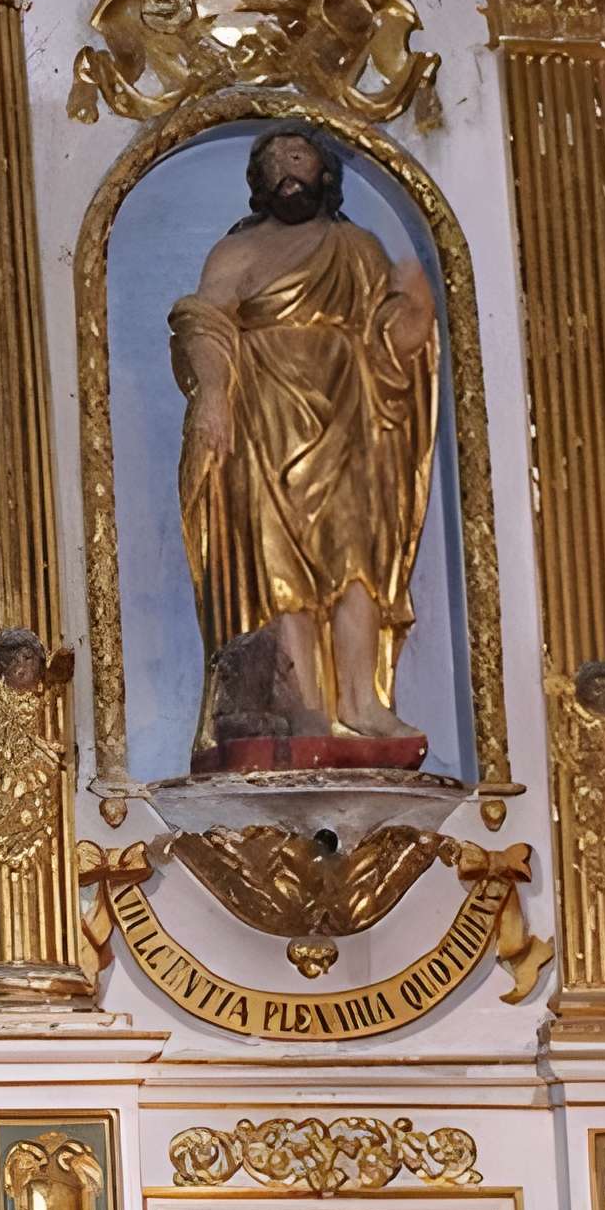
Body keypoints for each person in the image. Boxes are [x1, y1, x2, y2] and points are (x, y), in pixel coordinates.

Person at [171, 126, 439, 762]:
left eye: (298, 156)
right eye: (272, 163)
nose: (286, 169)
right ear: (259, 184)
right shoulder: (234, 255)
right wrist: (212, 394)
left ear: (324, 174)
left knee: (358, 559)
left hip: (350, 413)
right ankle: (302, 703)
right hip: (265, 419)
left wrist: (417, 312)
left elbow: (389, 343)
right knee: (278, 566)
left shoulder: (356, 247)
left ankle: (362, 702)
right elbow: (203, 323)